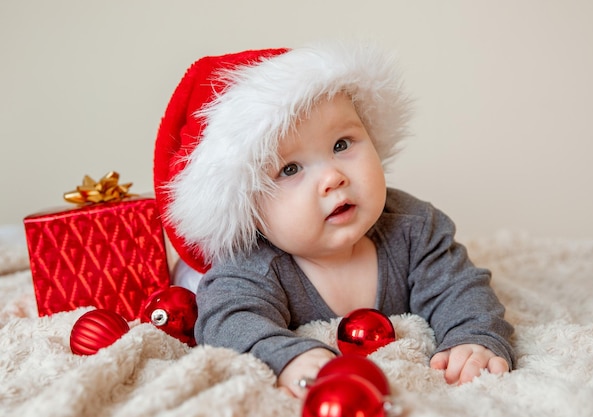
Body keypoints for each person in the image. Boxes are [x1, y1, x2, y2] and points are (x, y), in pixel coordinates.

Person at [153, 40, 515, 399]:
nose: (333, 178)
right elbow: (226, 321)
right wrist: (287, 356)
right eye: (290, 169)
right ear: (247, 208)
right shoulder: (252, 266)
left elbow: (460, 287)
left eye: (342, 144)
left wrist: (473, 336)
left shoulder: (414, 227)